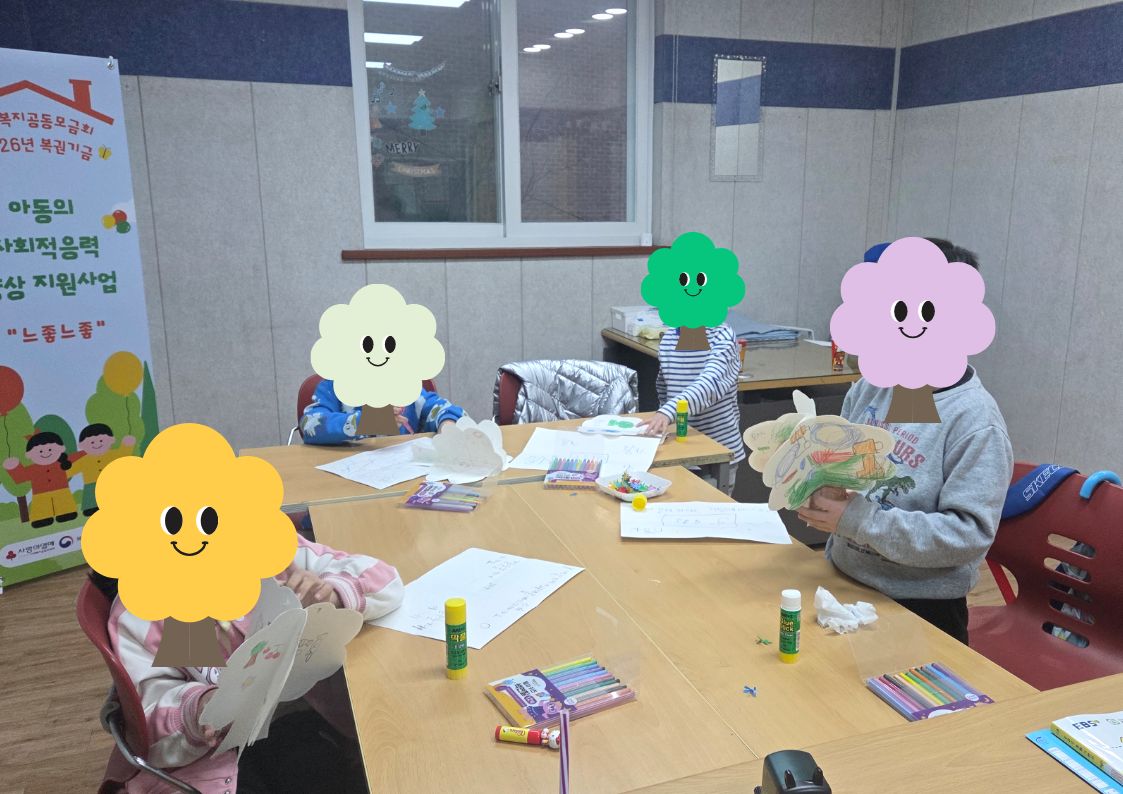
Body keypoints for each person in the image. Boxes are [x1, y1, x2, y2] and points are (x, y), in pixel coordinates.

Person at [798, 239, 1013, 644]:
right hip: (845, 580)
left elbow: (967, 537)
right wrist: (813, 484)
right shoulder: (871, 386)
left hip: (922, 606)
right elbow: (841, 465)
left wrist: (860, 521)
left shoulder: (974, 420)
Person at [91, 535, 403, 793]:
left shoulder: (268, 552)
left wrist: (334, 590)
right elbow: (148, 721)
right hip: (212, 763)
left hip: (301, 721)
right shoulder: (150, 612)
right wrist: (198, 708)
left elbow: (383, 579)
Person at [639, 323, 745, 495]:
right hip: (679, 450)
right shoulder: (669, 339)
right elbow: (664, 389)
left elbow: (709, 385)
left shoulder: (722, 336)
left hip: (716, 453)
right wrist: (662, 423)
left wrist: (668, 412)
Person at [299, 379, 464, 445]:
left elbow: (439, 408)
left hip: (401, 476)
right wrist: (367, 421)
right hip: (344, 478)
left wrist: (447, 424)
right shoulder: (333, 387)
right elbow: (310, 424)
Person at [3, 431, 82, 528]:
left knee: (64, 505)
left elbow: (77, 459)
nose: (45, 453)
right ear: (30, 455)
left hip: (62, 491)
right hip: (40, 494)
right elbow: (21, 477)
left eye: (50, 449)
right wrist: (13, 467)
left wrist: (87, 451)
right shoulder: (33, 469)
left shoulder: (63, 463)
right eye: (40, 451)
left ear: (60, 449)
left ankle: (66, 513)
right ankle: (42, 518)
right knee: (42, 508)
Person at [70, 423, 136, 516]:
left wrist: (127, 445)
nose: (97, 444)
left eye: (101, 440)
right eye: (92, 442)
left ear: (111, 440)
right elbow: (71, 470)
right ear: (82, 445)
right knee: (91, 504)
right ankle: (92, 508)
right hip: (91, 485)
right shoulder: (84, 460)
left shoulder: (113, 454)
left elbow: (123, 454)